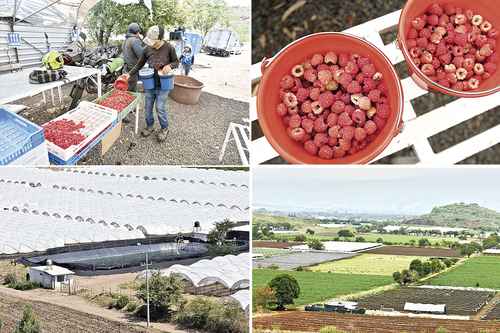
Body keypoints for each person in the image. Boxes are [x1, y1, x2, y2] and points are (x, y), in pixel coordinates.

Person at [125, 25, 179, 142]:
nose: (151, 44)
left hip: (164, 83)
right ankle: (150, 126)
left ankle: (164, 128)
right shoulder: (147, 49)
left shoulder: (169, 48)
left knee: (160, 107)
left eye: (154, 41)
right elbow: (139, 64)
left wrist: (169, 66)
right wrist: (129, 74)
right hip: (149, 83)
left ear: (160, 39)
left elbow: (176, 62)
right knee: (148, 107)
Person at [122, 23, 144, 92]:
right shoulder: (135, 40)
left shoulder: (125, 41)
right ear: (137, 32)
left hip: (126, 69)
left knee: (127, 89)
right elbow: (142, 55)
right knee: (132, 92)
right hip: (132, 71)